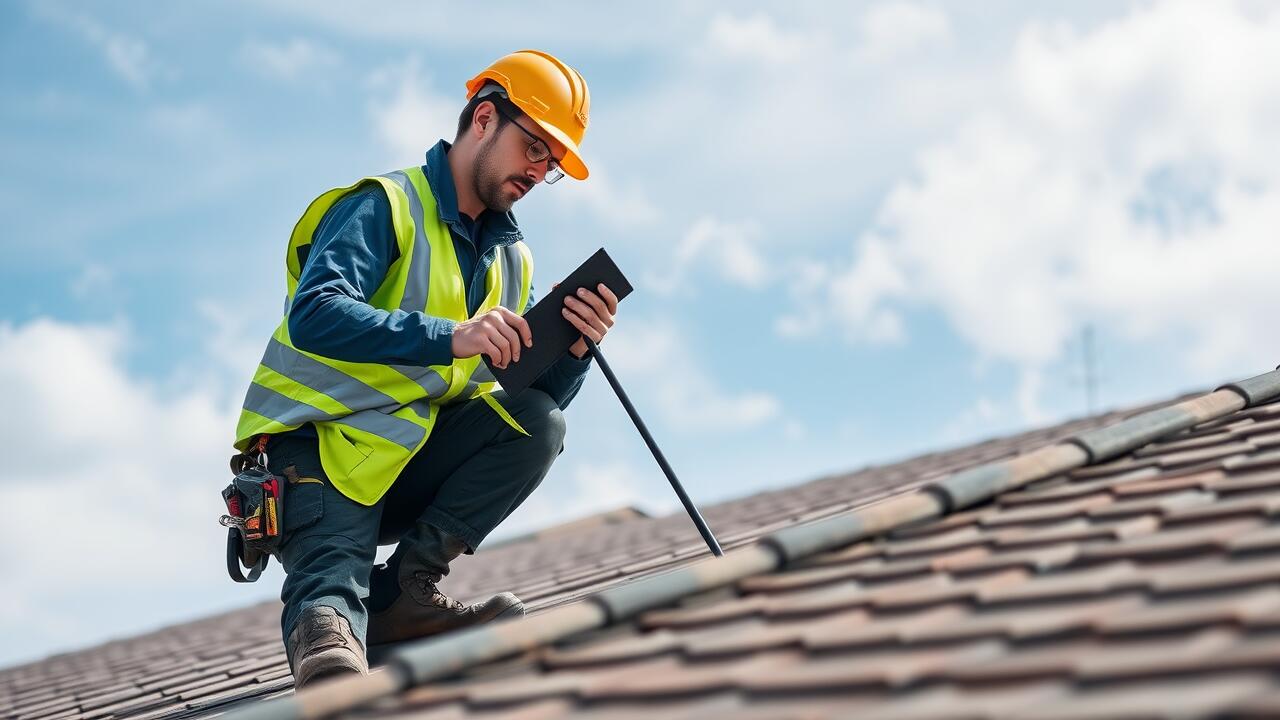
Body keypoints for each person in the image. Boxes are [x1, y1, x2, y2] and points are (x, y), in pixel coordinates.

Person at [230, 50, 618, 687]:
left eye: (551, 162)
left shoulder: (510, 262)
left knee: (537, 422)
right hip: (313, 454)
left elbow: (516, 399)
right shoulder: (384, 206)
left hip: (400, 462)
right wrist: (452, 336)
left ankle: (403, 597)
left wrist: (573, 356)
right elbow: (315, 314)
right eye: (535, 147)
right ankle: (342, 621)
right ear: (485, 119)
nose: (539, 169)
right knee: (331, 634)